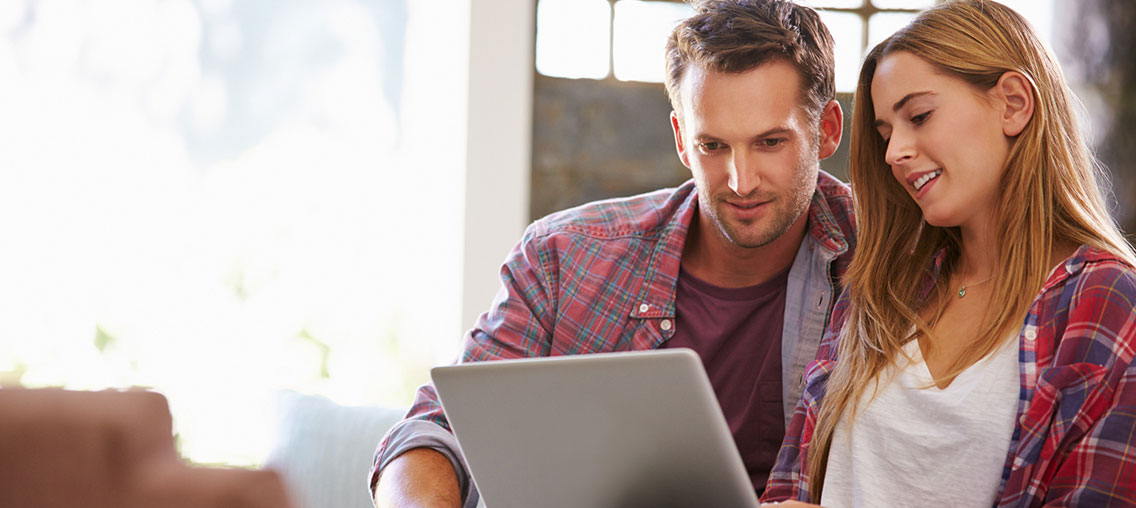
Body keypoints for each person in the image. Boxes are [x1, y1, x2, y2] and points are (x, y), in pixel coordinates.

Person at [370, 1, 853, 507]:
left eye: (770, 142)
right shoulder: (560, 257)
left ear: (827, 130)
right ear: (682, 142)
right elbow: (433, 430)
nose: (741, 180)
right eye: (712, 145)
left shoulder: (888, 259)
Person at [761, 1, 1136, 506]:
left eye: (919, 116)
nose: (894, 153)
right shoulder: (879, 290)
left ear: (1013, 103)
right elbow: (791, 483)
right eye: (886, 133)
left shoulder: (1107, 301)